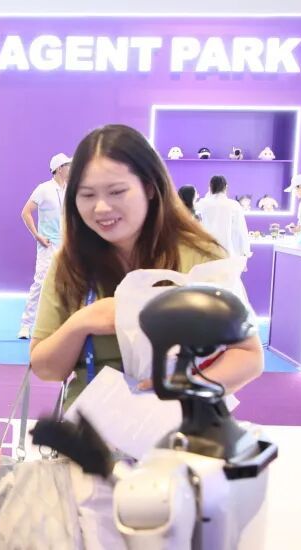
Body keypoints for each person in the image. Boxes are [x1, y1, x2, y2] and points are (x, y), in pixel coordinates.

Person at [29, 124, 263, 408]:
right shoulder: (70, 263)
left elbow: (248, 355)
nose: (101, 207)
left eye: (117, 192)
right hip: (90, 428)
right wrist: (82, 323)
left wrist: (187, 385)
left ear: (150, 187)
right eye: (87, 195)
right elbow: (45, 369)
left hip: (184, 425)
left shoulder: (201, 257)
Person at [18, 152, 71, 339]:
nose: (71, 168)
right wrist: (37, 236)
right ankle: (26, 325)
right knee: (40, 283)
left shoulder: (70, 190)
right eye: (67, 165)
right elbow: (26, 212)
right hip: (48, 245)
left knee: (66, 285)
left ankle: (61, 325)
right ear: (59, 169)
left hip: (66, 245)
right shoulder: (43, 189)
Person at [196, 175, 251, 261]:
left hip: (207, 252)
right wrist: (245, 252)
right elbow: (241, 229)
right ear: (226, 187)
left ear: (210, 187)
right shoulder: (233, 205)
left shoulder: (203, 203)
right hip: (227, 252)